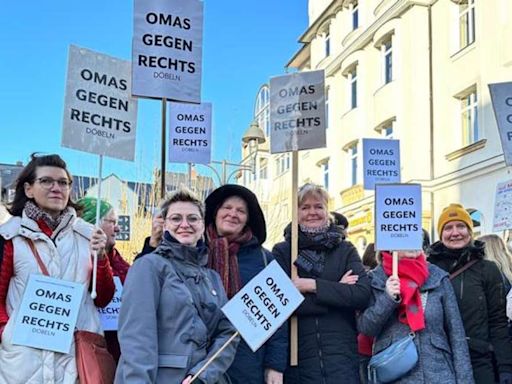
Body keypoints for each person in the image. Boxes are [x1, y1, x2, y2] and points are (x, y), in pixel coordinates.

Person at [0, 153, 115, 383]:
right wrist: (8, 332)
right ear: (29, 189)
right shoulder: (10, 237)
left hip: (75, 360)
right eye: (46, 181)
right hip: (23, 362)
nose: (56, 188)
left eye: (63, 182)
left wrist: (101, 256)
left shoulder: (87, 236)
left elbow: (102, 298)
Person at [115, 188, 238, 384]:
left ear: (202, 225)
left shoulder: (212, 278)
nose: (184, 224)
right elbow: (137, 339)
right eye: (176, 218)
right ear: (164, 225)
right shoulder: (148, 267)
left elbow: (228, 333)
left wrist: (203, 375)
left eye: (192, 218)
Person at [273, 183, 371, 384]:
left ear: (327, 210)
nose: (312, 212)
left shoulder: (345, 250)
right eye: (305, 207)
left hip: (341, 360)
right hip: (299, 361)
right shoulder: (283, 251)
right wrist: (338, 291)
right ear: (296, 212)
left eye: (318, 206)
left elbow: (361, 294)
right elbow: (281, 304)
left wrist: (311, 285)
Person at [204, 184, 287, 384]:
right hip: (200, 360)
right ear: (215, 212)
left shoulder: (265, 259)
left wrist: (275, 366)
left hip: (248, 361)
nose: (233, 214)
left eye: (241, 211)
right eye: (227, 207)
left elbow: (279, 318)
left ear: (248, 219)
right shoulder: (195, 251)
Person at [358, 249, 474, 383]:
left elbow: (457, 335)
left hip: (438, 373)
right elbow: (366, 328)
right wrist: (387, 298)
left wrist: (465, 380)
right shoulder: (375, 279)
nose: (411, 245)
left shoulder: (437, 276)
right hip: (395, 376)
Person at [428, 203, 512, 384]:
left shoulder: (487, 269)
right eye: (448, 227)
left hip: (479, 359)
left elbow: (498, 321)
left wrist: (505, 366)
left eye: (461, 226)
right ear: (441, 234)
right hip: (441, 361)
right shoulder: (428, 269)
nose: (455, 232)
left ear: (470, 231)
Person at [78, 196, 131, 363]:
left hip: (119, 348)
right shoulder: (77, 260)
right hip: (88, 347)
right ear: (93, 224)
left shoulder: (119, 262)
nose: (118, 229)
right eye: (112, 222)